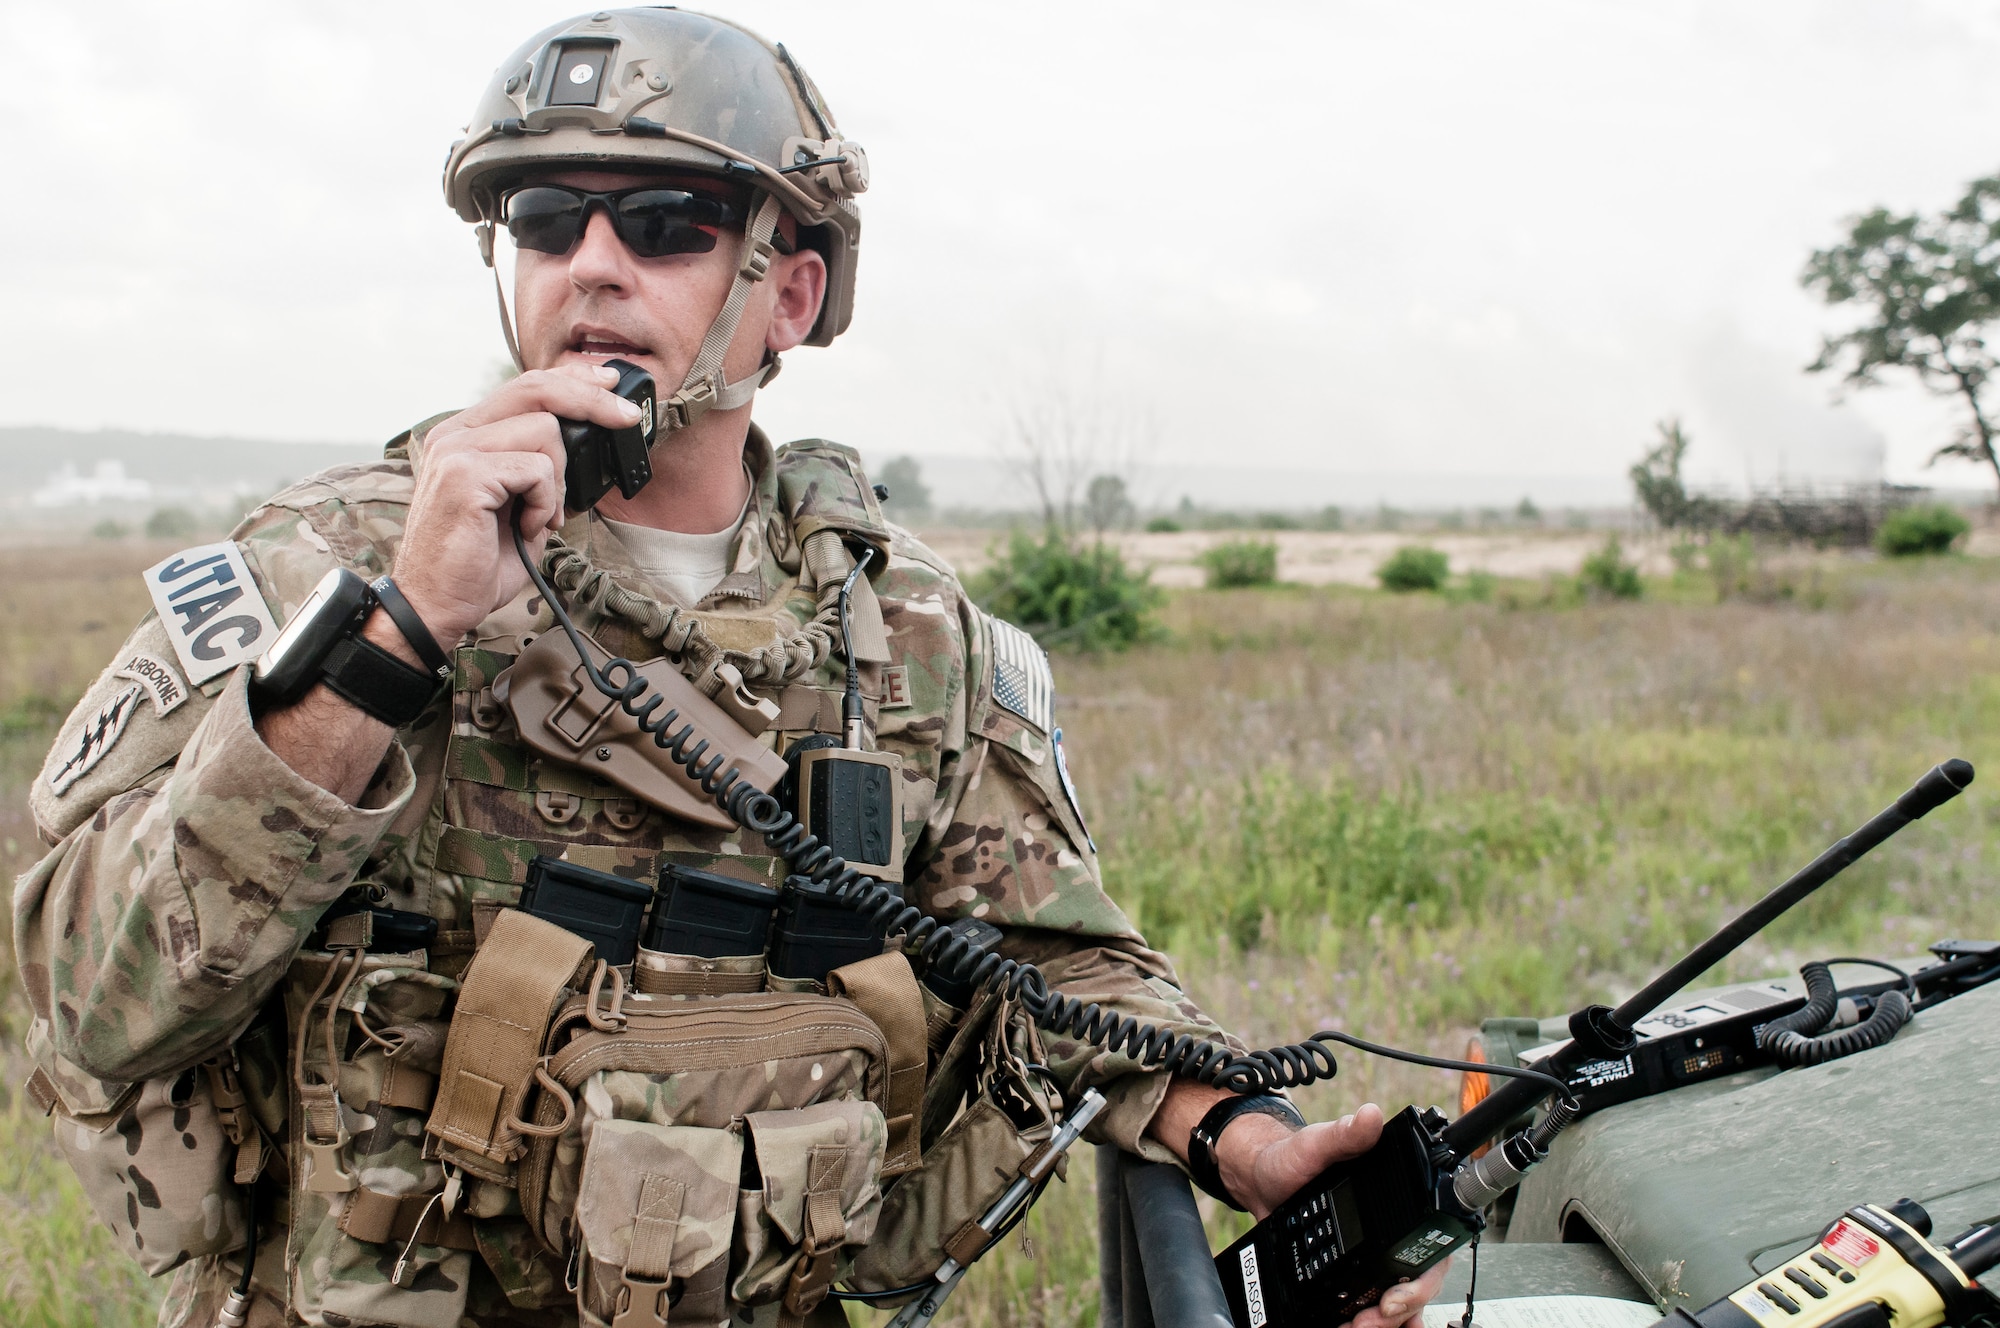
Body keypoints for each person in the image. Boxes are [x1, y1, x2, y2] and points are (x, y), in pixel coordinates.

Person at [14, 11, 1447, 1327]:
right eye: (544, 217)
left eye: (665, 223)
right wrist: (405, 633)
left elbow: (1054, 965)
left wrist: (1254, 1141)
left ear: (792, 293)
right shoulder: (320, 575)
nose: (591, 262)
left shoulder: (907, 634)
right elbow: (97, 999)